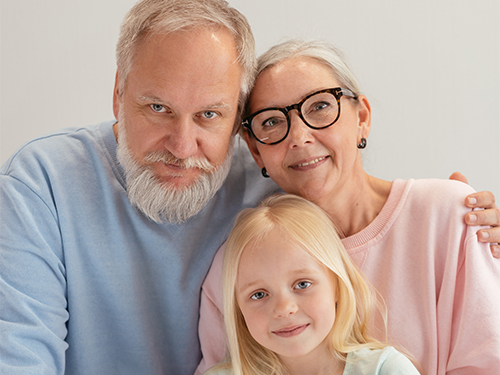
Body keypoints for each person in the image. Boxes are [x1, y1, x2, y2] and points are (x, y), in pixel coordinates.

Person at [0, 1, 498, 374]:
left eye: (210, 115)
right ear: (118, 92)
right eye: (158, 108)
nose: (182, 143)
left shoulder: (280, 186)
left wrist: (468, 219)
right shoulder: (43, 183)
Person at [197, 39, 500, 375]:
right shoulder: (238, 261)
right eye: (270, 121)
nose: (299, 136)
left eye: (320, 106)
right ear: (256, 152)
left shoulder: (449, 214)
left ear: (362, 118)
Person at [205, 194, 421, 375]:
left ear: (337, 285)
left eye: (302, 284)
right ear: (238, 309)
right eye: (259, 295)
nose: (284, 308)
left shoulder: (385, 370)